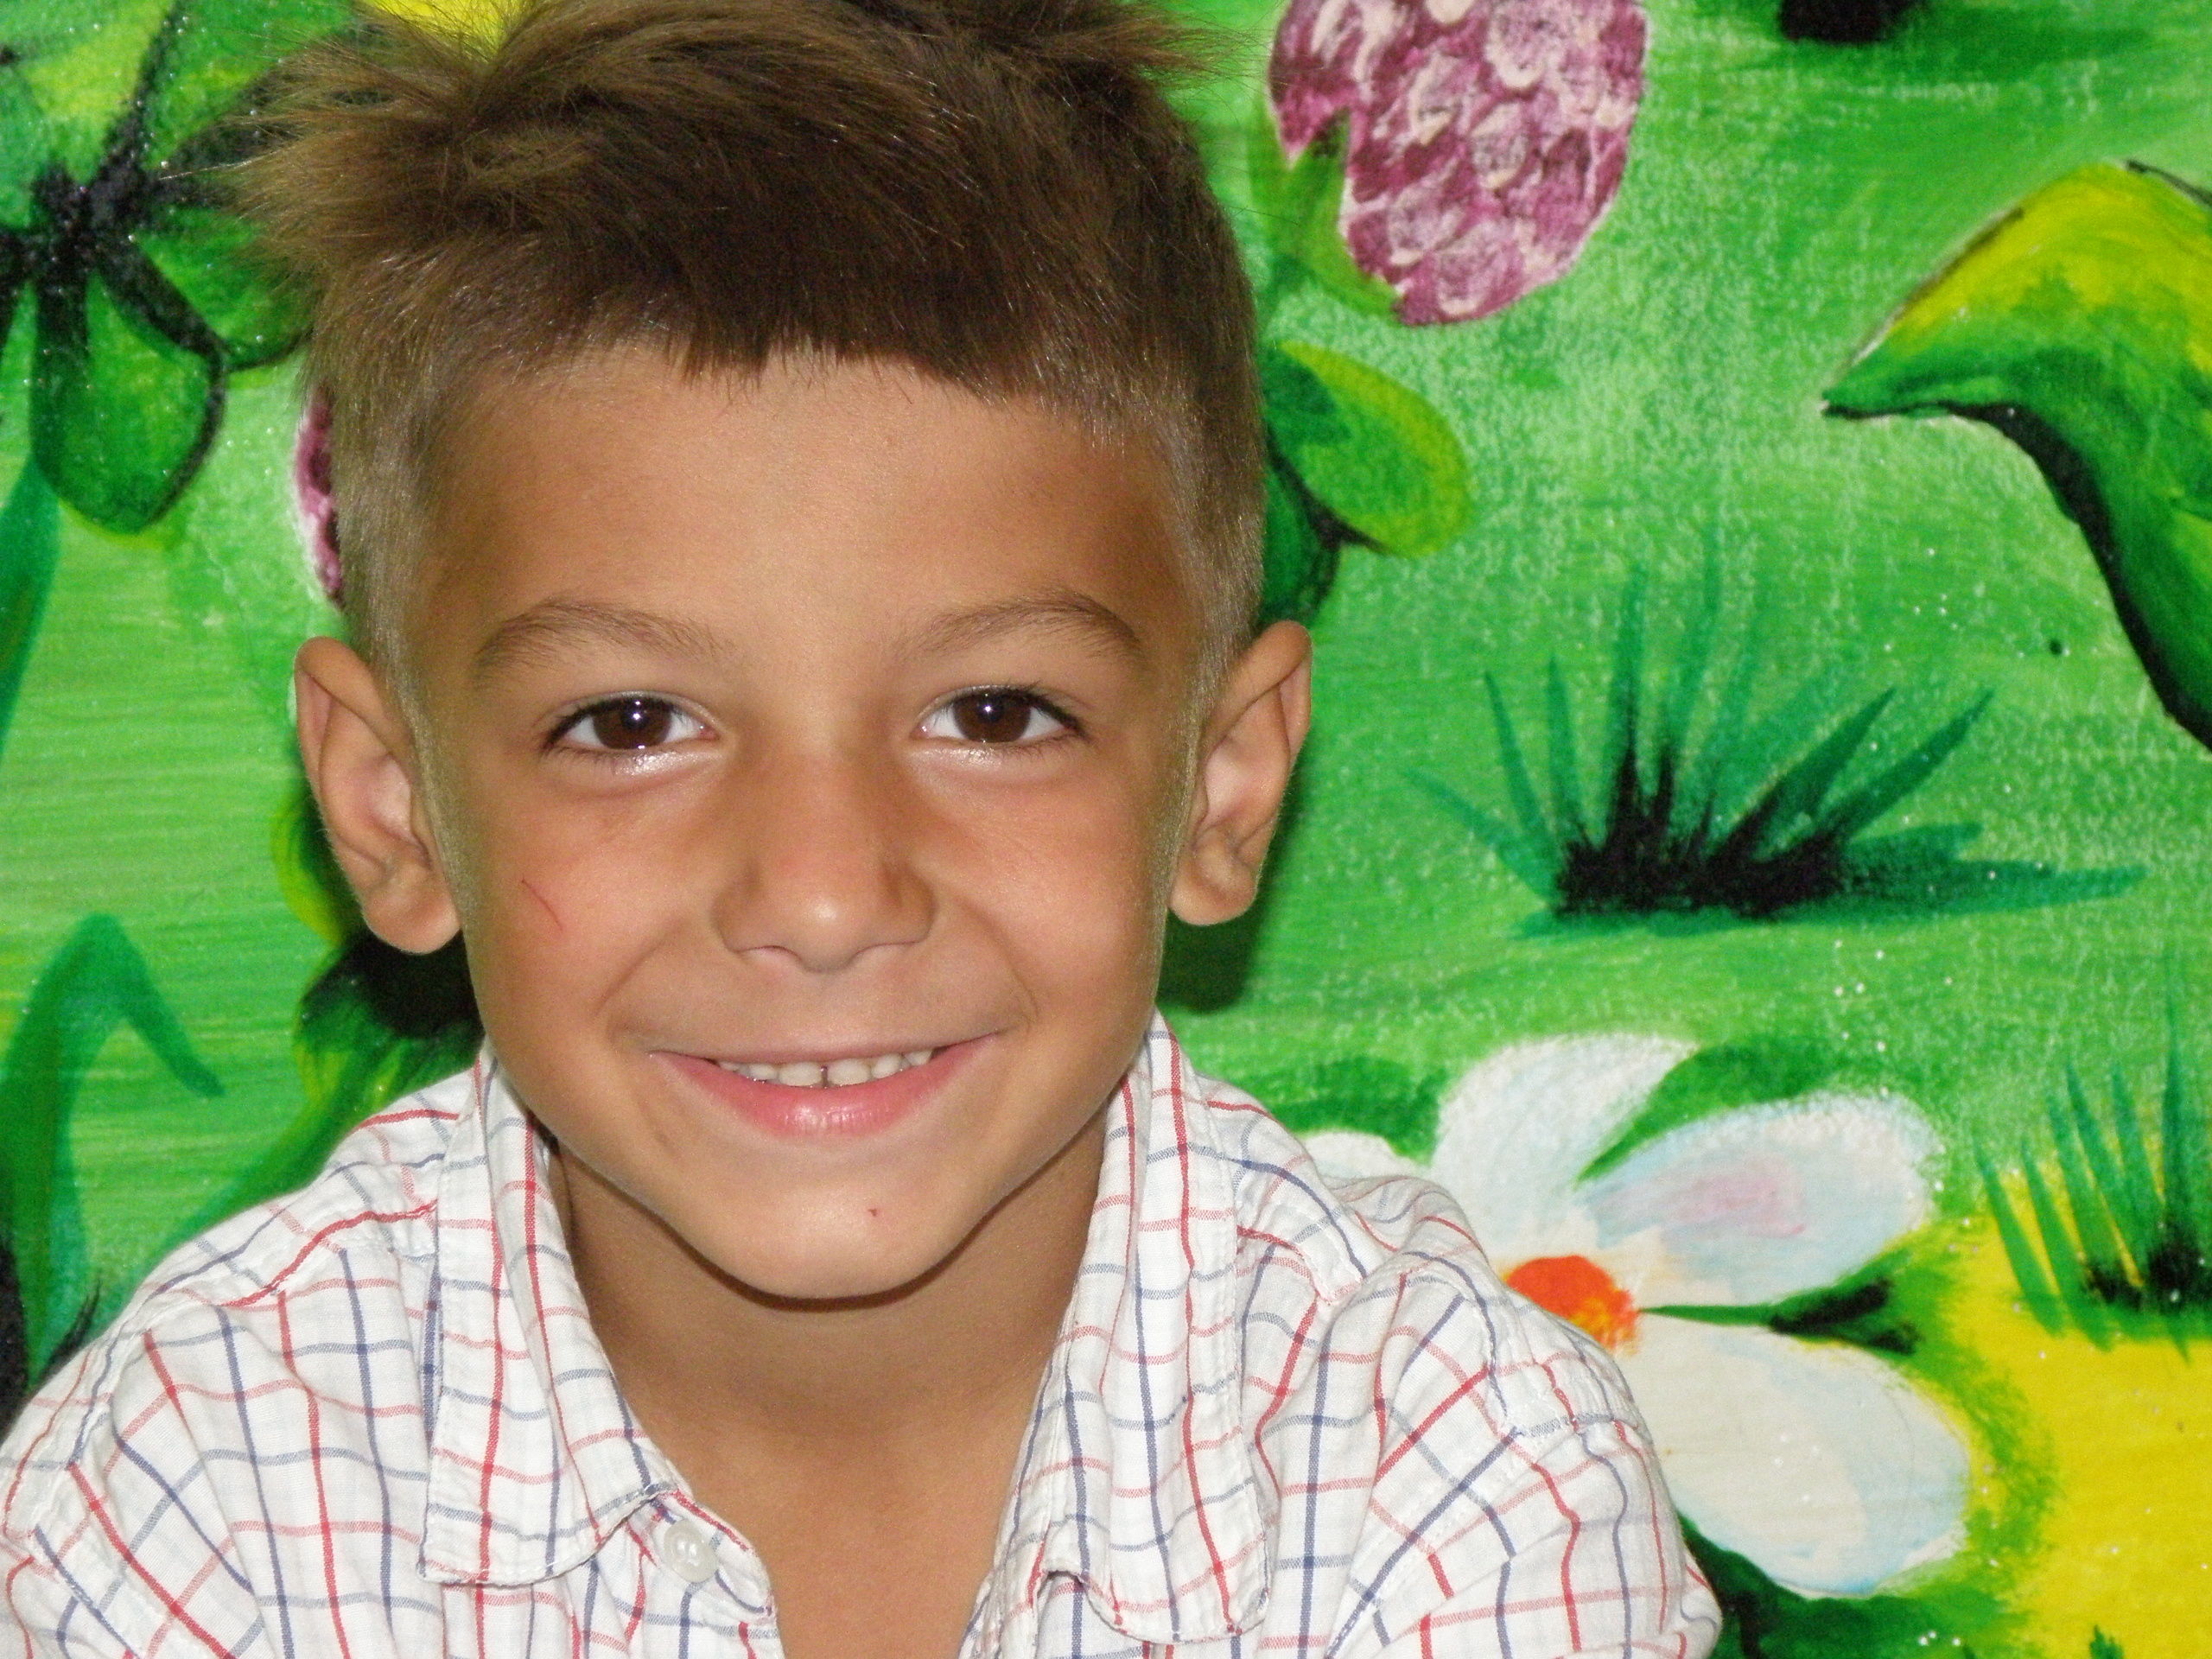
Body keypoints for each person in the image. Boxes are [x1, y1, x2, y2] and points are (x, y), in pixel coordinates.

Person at [0, 0, 1720, 1653]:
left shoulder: (1451, 1475)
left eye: (995, 716)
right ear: (393, 808)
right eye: (631, 724)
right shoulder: (194, 1493)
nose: (823, 898)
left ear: (1221, 785)